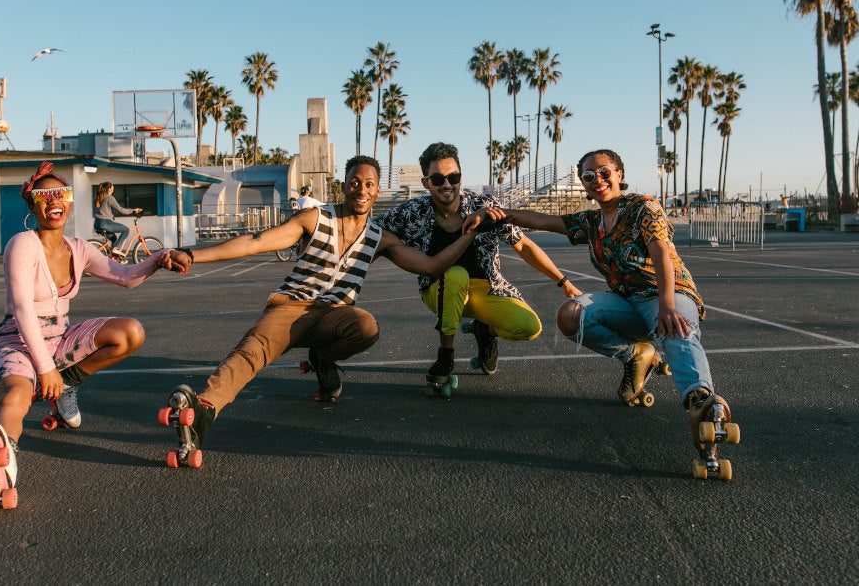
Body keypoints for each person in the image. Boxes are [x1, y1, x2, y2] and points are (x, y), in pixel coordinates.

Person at [161, 155, 494, 460]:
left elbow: (432, 265)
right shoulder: (314, 218)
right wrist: (192, 254)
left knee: (366, 326)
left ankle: (324, 358)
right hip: (291, 306)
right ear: (343, 186)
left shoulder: (380, 237)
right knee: (252, 352)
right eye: (354, 182)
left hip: (334, 316)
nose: (360, 189)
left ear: (377, 191)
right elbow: (256, 242)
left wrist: (469, 232)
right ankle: (204, 409)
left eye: (368, 184)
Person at [466, 149, 738, 473]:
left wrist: (667, 305)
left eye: (605, 172)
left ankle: (700, 401)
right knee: (571, 315)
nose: (599, 180)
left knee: (676, 329)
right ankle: (636, 355)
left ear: (619, 174)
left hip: (666, 293)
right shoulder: (591, 222)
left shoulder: (642, 208)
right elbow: (539, 220)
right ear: (583, 183)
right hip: (626, 301)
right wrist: (496, 213)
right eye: (589, 175)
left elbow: (661, 254)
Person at [0, 162, 189, 491]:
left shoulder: (78, 248)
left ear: (70, 201)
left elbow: (125, 276)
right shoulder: (22, 243)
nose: (54, 201)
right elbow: (22, 309)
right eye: (44, 195)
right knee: (16, 397)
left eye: (61, 194)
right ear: (33, 204)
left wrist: (160, 257)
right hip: (17, 343)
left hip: (60, 340)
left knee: (130, 332)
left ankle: (66, 387)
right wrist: (44, 368)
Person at [374, 142, 580, 389]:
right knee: (456, 274)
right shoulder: (411, 212)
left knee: (528, 326)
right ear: (426, 182)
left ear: (461, 177)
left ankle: (485, 332)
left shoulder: (484, 206)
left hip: (487, 288)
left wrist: (562, 281)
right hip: (438, 289)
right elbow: (371, 234)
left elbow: (523, 245)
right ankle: (445, 356)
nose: (447, 184)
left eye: (453, 177)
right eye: (438, 178)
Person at [94, 181, 142, 254]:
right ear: (109, 189)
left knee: (114, 239)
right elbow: (120, 210)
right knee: (126, 230)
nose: (114, 188)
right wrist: (133, 210)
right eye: (113, 187)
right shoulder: (109, 198)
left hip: (97, 224)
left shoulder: (100, 198)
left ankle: (115, 258)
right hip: (105, 223)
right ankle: (116, 248)